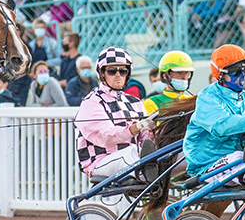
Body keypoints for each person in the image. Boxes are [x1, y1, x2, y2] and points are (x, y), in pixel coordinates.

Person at [183, 44, 245, 183]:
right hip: (209, 163)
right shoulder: (207, 98)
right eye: (236, 71)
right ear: (220, 73)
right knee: (239, 157)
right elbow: (221, 126)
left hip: (243, 156)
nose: (242, 75)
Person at [73, 46, 156, 181]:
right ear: (102, 74)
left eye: (123, 71)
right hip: (100, 161)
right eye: (112, 71)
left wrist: (151, 131)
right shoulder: (92, 101)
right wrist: (135, 128)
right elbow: (105, 137)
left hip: (133, 158)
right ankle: (150, 175)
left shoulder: (135, 102)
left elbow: (145, 139)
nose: (118, 75)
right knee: (129, 153)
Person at [142, 50, 194, 115]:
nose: (184, 77)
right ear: (165, 76)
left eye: (187, 73)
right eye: (179, 73)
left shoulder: (193, 101)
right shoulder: (152, 102)